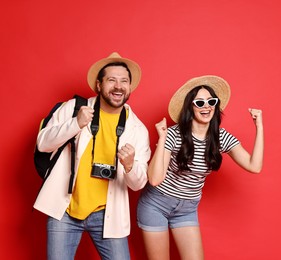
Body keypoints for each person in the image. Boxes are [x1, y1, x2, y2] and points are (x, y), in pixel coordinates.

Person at [33, 52, 151, 259]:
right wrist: (75, 124)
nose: (118, 86)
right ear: (99, 85)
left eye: (124, 81)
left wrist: (130, 166)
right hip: (65, 209)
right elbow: (43, 144)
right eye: (111, 80)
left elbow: (138, 184)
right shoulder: (74, 108)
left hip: (108, 213)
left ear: (130, 87)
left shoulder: (137, 129)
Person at [137, 75, 264, 260]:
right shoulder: (173, 134)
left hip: (187, 208)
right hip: (157, 204)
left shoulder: (220, 137)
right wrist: (162, 139)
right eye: (199, 102)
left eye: (211, 101)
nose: (207, 106)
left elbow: (255, 166)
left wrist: (259, 126)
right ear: (190, 106)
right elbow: (155, 179)